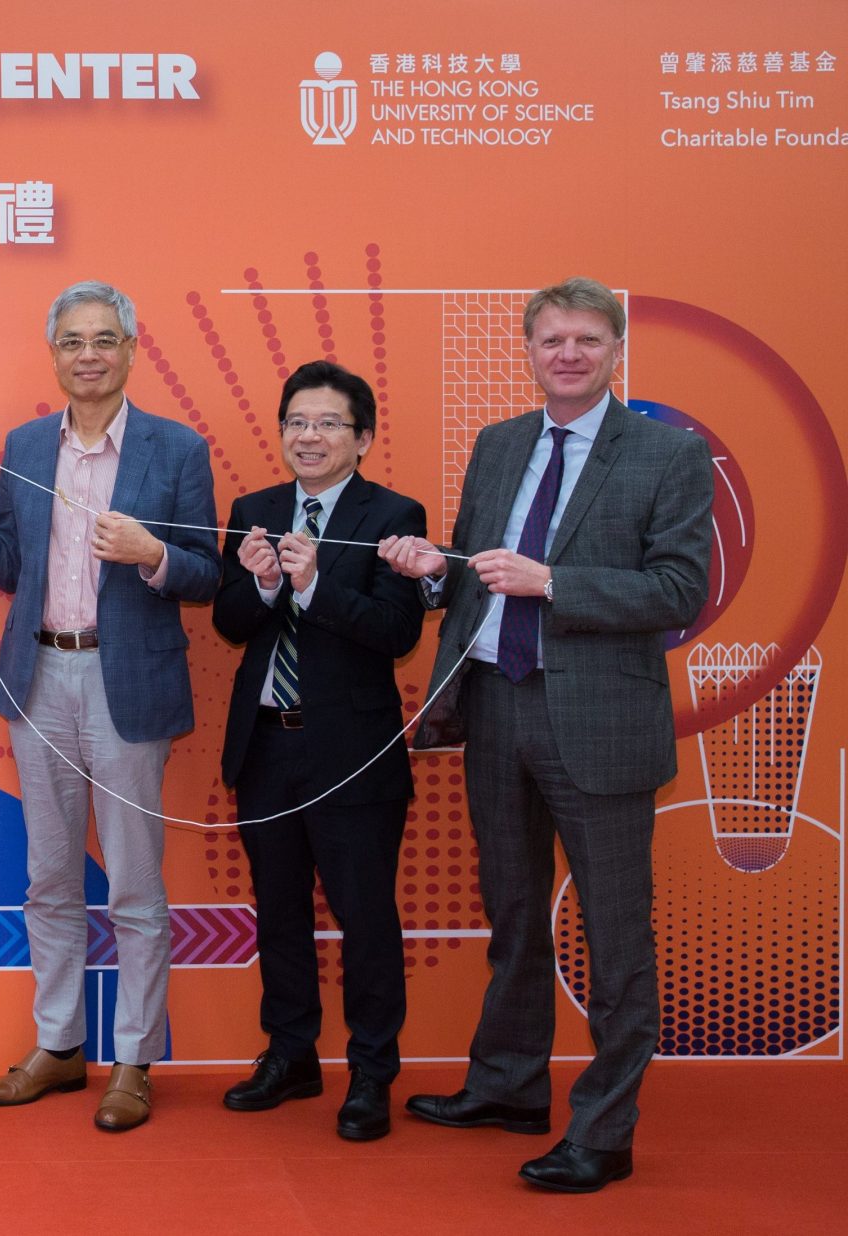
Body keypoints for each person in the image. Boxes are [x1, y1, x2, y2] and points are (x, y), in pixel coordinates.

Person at [380, 277, 714, 1192]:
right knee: (516, 916)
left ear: (616, 352)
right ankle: (509, 1086)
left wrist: (554, 582)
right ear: (529, 351)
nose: (569, 354)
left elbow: (680, 590)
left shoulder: (668, 454)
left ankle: (604, 1133)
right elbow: (473, 573)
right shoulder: (499, 445)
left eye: (587, 340)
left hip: (602, 721)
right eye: (553, 340)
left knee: (616, 936)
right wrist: (431, 572)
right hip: (494, 706)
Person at [0, 280, 220, 1132]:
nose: (88, 355)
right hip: (40, 680)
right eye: (72, 342)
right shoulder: (25, 445)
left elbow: (207, 573)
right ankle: (58, 1046)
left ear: (131, 350)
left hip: (129, 684)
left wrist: (154, 552)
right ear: (54, 354)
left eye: (103, 340)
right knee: (49, 877)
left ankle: (133, 1060)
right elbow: (13, 565)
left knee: (133, 883)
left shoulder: (176, 449)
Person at [212, 360, 425, 1141]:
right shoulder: (255, 510)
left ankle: (371, 1071)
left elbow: (398, 632)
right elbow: (230, 623)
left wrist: (312, 587)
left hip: (352, 753)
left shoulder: (393, 514)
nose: (310, 436)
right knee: (279, 911)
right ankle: (291, 1053)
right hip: (267, 746)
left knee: (365, 917)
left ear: (362, 438)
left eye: (329, 423)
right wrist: (266, 586)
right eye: (297, 422)